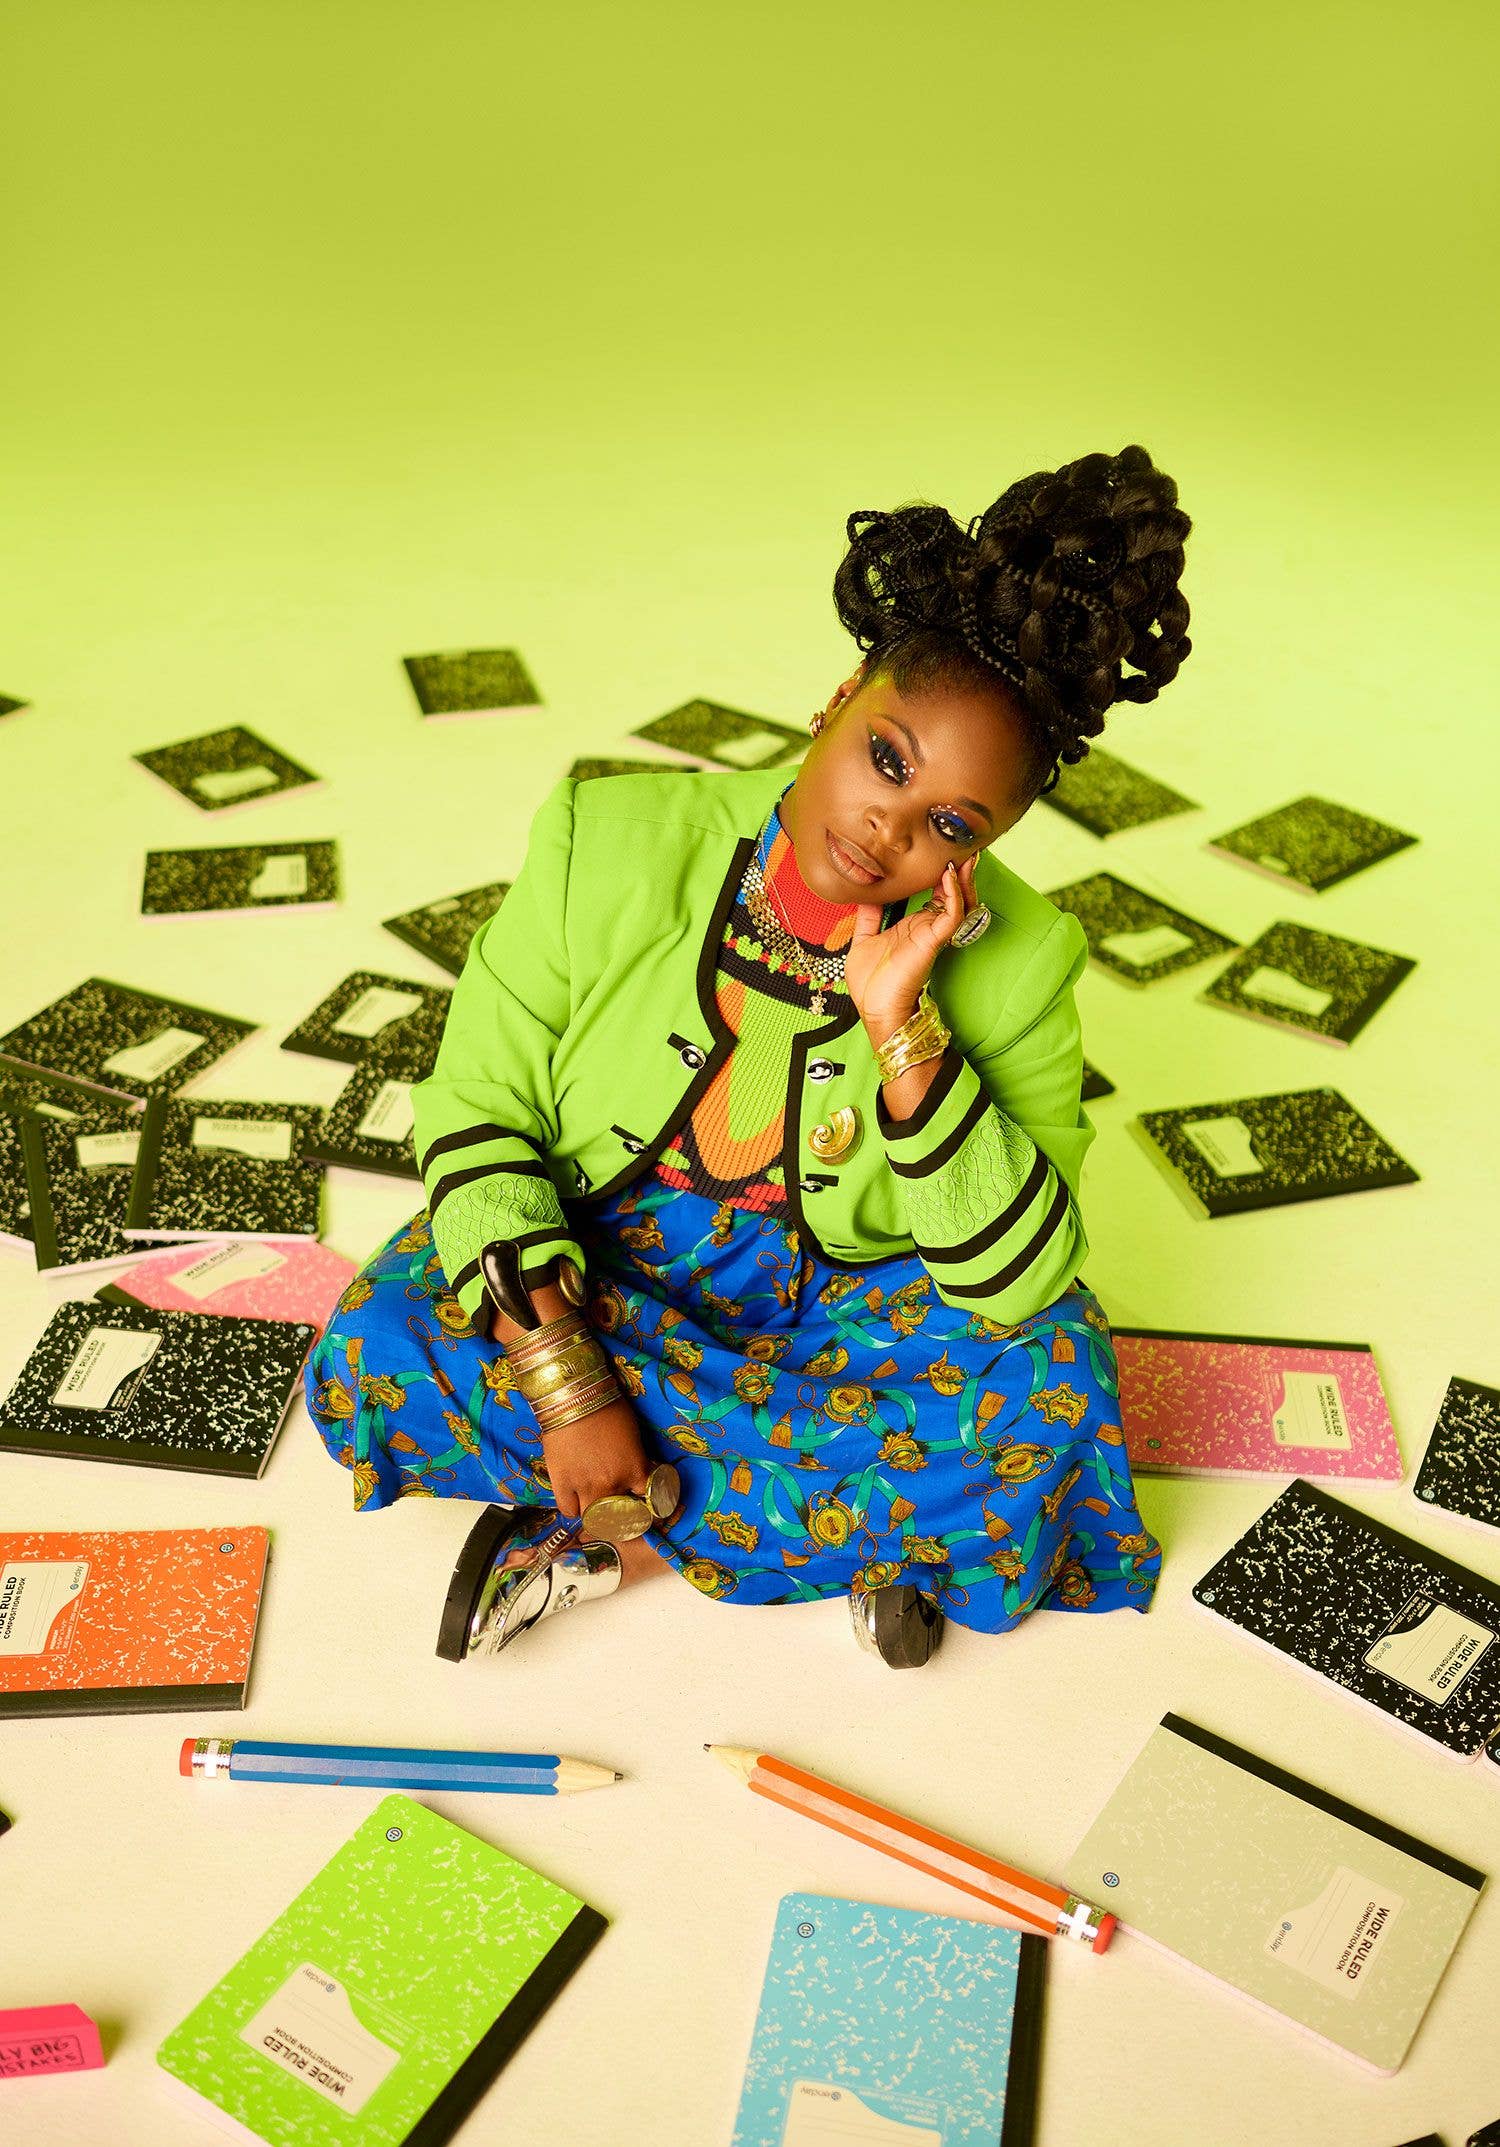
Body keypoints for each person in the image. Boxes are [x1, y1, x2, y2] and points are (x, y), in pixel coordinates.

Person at [306, 444, 1192, 1668]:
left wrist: (903, 1027)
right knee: (380, 1338)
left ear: (990, 840)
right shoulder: (603, 837)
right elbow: (476, 1102)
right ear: (836, 702)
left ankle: (615, 1529)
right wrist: (571, 1385)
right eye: (888, 757)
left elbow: (1012, 1283)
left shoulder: (1028, 952)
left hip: (855, 1298)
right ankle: (841, 1529)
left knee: (1050, 1386)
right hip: (606, 1257)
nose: (891, 826)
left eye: (952, 822)